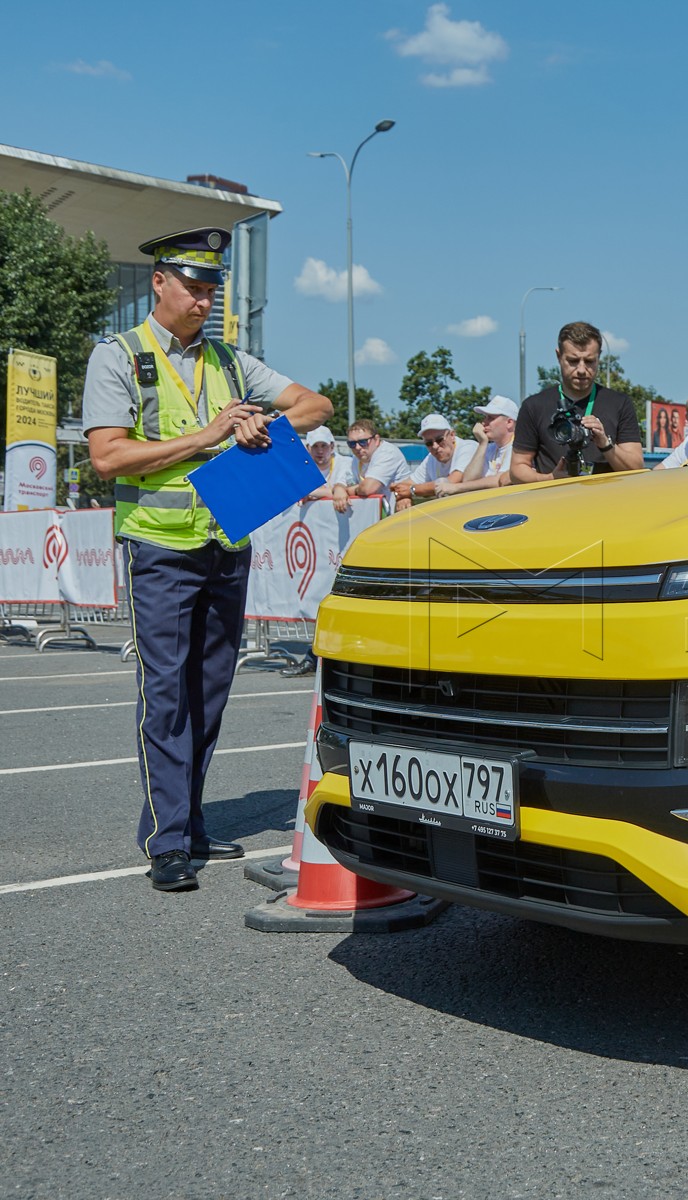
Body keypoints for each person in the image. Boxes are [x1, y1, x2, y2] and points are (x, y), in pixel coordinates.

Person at [81, 227, 333, 891]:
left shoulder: (231, 361)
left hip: (227, 542)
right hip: (160, 546)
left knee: (209, 692)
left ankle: (188, 821)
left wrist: (264, 427)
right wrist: (211, 434)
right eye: (192, 287)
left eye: (212, 289)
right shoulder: (118, 356)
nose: (203, 300)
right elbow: (107, 456)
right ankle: (166, 841)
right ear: (159, 282)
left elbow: (317, 404)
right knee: (166, 693)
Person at [512, 322, 644, 481]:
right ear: (559, 356)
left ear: (599, 357)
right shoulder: (534, 406)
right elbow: (517, 470)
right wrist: (550, 478)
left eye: (589, 361)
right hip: (555, 495)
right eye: (573, 361)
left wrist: (605, 444)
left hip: (607, 496)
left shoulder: (619, 403)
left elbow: (636, 468)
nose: (581, 370)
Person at [392, 414, 476, 509]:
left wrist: (411, 490)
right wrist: (404, 496)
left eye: (439, 440)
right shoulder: (431, 458)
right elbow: (405, 485)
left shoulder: (468, 448)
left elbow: (451, 482)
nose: (435, 446)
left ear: (452, 435)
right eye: (429, 443)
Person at [440, 397, 517, 495]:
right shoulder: (490, 448)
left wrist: (456, 487)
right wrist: (482, 443)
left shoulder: (519, 447)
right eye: (485, 417)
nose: (484, 423)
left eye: (491, 418)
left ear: (509, 423)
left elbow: (499, 480)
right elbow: (469, 480)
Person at [331, 419, 409, 514]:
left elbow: (368, 488)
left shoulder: (387, 453)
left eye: (363, 442)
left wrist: (348, 491)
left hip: (398, 514)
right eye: (352, 444)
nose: (357, 447)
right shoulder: (357, 458)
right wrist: (339, 489)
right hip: (375, 515)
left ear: (376, 440)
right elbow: (341, 482)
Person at [304, 426, 354, 499]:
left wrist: (311, 492)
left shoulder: (346, 463)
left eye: (324, 446)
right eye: (315, 446)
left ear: (332, 446)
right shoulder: (302, 468)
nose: (320, 451)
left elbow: (345, 492)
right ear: (308, 448)